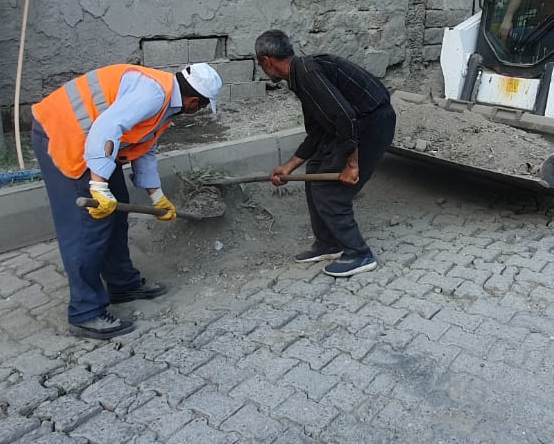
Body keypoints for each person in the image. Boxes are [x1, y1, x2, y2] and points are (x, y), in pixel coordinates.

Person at [30, 62, 222, 339]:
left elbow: (144, 147)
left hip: (94, 140)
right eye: (203, 106)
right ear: (194, 101)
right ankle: (85, 312)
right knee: (88, 226)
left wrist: (156, 196)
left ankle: (123, 284)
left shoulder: (166, 102)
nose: (199, 111)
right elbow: (106, 127)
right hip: (65, 133)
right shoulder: (154, 93)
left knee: (116, 212)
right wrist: (97, 185)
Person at [253, 29, 395, 277]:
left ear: (266, 61)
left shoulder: (308, 74)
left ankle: (359, 253)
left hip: (371, 123)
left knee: (331, 193)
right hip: (353, 124)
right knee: (315, 173)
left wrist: (352, 164)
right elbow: (318, 131)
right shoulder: (300, 76)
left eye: (259, 63)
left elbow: (345, 116)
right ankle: (328, 244)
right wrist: (288, 167)